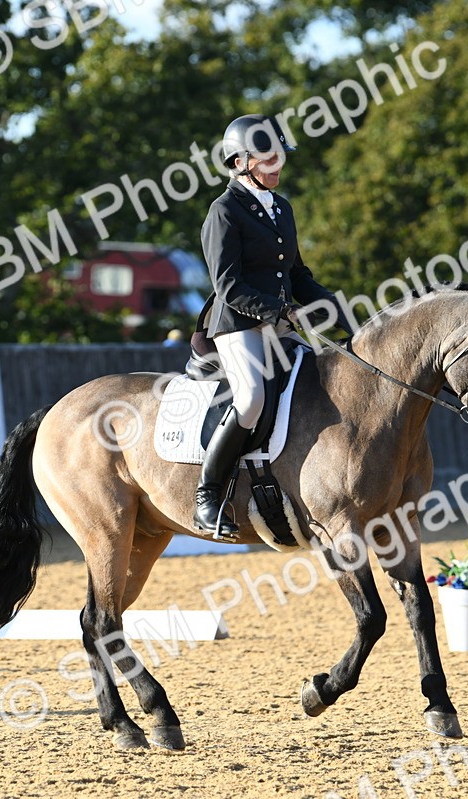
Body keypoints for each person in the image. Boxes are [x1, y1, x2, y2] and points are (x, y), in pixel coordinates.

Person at [192, 114, 353, 535]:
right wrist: (278, 312)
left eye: (279, 158)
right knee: (250, 400)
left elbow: (297, 276)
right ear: (241, 161)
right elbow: (228, 286)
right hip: (237, 326)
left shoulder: (281, 207)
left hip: (278, 325)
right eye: (268, 159)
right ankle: (207, 497)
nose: (277, 166)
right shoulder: (223, 211)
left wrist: (340, 310)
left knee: (321, 384)